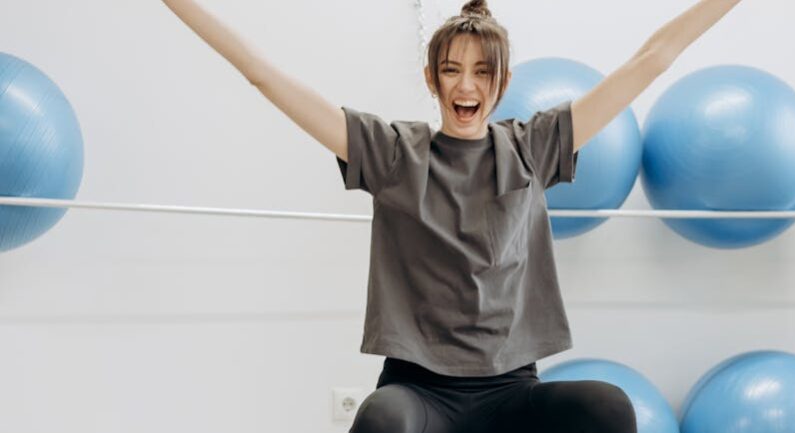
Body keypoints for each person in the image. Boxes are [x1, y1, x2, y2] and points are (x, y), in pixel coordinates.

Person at [162, 0, 742, 431]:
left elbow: (652, 59)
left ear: (503, 82)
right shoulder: (393, 154)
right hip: (420, 391)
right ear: (431, 79)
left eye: (483, 72)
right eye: (451, 70)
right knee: (380, 419)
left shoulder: (533, 148)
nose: (466, 86)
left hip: (513, 390)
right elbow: (262, 73)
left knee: (607, 406)